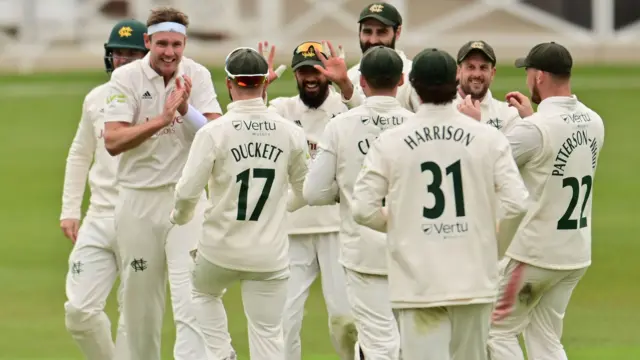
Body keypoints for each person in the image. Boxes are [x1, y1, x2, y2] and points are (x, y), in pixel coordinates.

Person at [351, 48, 528, 360]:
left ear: (414, 85)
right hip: (474, 279)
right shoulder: (488, 138)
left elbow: (363, 209)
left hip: (418, 282)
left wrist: (401, 222)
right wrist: (494, 248)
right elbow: (516, 204)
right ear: (455, 79)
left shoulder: (391, 141)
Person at [170, 47, 309, 360]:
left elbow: (187, 192)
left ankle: (221, 354)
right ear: (264, 84)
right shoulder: (290, 132)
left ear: (230, 83)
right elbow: (305, 191)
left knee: (202, 293)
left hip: (220, 248)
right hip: (269, 254)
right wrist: (281, 206)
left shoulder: (213, 132)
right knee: (268, 335)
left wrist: (180, 217)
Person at [102, 7, 223, 360]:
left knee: (192, 298)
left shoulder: (196, 75)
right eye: (162, 44)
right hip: (137, 202)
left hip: (185, 201)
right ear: (147, 42)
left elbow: (217, 134)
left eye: (176, 44)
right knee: (140, 305)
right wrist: (162, 119)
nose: (169, 52)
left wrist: (186, 110)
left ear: (184, 43)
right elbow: (113, 140)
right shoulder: (124, 80)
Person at [487, 42, 605, 360]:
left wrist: (471, 124)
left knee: (495, 330)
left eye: (528, 72)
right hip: (574, 254)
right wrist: (532, 117)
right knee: (546, 338)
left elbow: (484, 161)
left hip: (534, 255)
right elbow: (554, 147)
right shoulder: (594, 121)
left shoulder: (534, 129)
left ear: (539, 76)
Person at [303, 45, 413, 360]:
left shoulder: (340, 126)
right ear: (401, 80)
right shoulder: (415, 124)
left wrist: (345, 192)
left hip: (362, 252)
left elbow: (312, 192)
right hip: (411, 250)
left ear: (361, 80)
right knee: (409, 344)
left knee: (378, 346)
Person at [60, 19, 148, 360]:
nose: (124, 60)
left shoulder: (163, 99)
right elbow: (80, 154)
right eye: (118, 53)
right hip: (98, 217)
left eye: (132, 53)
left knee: (134, 319)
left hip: (142, 217)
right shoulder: (95, 98)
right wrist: (70, 210)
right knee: (79, 313)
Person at [268, 41, 356, 360]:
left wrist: (346, 84)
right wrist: (258, 92)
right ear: (295, 74)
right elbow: (248, 125)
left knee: (346, 321)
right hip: (293, 230)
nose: (310, 77)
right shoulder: (280, 109)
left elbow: (369, 114)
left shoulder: (347, 108)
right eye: (303, 71)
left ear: (328, 73)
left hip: (338, 227)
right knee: (284, 323)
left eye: (317, 70)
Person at [340, 2, 420, 111]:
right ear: (359, 33)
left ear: (397, 32)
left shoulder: (414, 75)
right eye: (367, 32)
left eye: (382, 32)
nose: (373, 41)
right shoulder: (351, 76)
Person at [454, 40, 519, 133]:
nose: (477, 74)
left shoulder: (509, 115)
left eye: (483, 67)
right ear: (459, 71)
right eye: (470, 67)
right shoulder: (442, 109)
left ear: (492, 73)